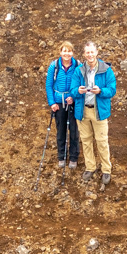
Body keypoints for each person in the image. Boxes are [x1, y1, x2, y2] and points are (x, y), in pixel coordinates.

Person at [70, 41, 117, 189]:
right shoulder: (79, 71)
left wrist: (101, 91)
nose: (90, 55)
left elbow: (112, 90)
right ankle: (90, 167)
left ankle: (106, 170)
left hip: (99, 111)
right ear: (84, 55)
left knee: (102, 141)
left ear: (96, 53)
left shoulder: (106, 70)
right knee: (86, 140)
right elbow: (72, 90)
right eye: (87, 52)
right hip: (82, 110)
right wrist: (78, 91)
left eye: (92, 52)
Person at [43, 41, 79, 170]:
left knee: (74, 130)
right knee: (61, 130)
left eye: (69, 51)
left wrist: (73, 96)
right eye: (64, 51)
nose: (67, 54)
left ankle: (74, 157)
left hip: (73, 101)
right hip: (58, 103)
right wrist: (52, 103)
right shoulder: (54, 66)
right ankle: (61, 156)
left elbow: (81, 83)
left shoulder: (77, 66)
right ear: (60, 52)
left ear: (72, 53)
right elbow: (49, 85)